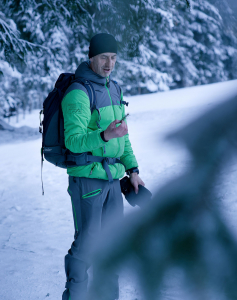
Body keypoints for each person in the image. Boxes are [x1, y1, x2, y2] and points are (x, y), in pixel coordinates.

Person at [61, 33, 145, 300]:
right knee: (86, 247)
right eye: (103, 58)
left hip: (112, 180)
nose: (109, 64)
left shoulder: (114, 88)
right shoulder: (78, 92)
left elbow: (124, 135)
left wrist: (133, 171)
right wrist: (104, 136)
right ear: (91, 58)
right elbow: (73, 141)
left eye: (113, 58)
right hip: (87, 179)